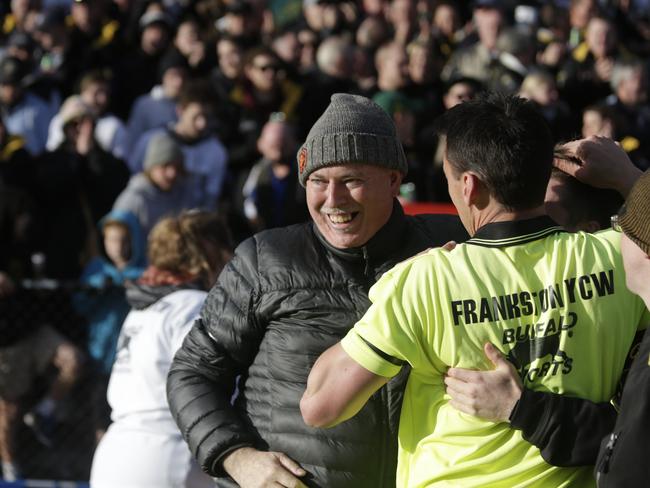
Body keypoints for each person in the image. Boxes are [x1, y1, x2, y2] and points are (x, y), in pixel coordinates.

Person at [301, 94, 650, 487]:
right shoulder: (621, 257)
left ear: (468, 186)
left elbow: (320, 405)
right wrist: (627, 175)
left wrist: (395, 294)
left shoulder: (424, 281)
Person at [167, 93, 467, 487]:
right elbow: (192, 372)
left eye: (351, 180)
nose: (332, 199)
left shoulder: (454, 249)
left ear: (394, 180)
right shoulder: (264, 259)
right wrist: (237, 458)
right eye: (318, 182)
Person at [90, 210, 233, 488]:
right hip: (166, 454)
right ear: (210, 252)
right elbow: (212, 385)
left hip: (115, 455)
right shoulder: (194, 305)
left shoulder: (144, 307)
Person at [113, 131, 201, 238]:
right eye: (165, 166)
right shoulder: (134, 200)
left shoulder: (183, 192)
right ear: (151, 167)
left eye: (176, 167)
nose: (172, 174)